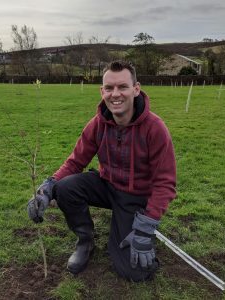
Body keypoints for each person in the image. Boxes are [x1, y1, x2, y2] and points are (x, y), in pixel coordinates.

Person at [27, 60, 176, 282]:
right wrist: (48, 186)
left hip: (135, 197)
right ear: (102, 91)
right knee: (65, 187)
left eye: (123, 87)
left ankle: (130, 227)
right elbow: (75, 163)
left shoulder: (155, 129)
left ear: (136, 89)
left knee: (135, 272)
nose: (115, 94)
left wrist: (146, 226)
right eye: (109, 88)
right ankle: (85, 241)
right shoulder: (98, 124)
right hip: (106, 185)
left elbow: (165, 183)